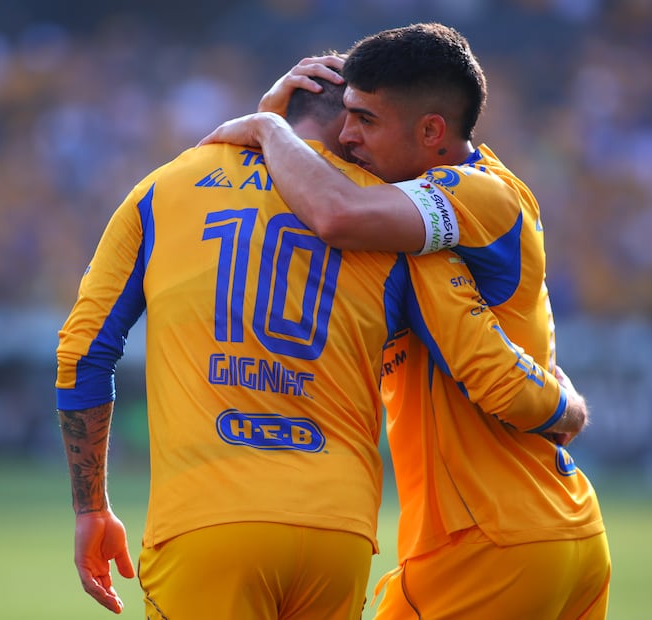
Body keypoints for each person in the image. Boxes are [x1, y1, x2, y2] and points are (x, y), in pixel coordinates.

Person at [55, 73, 588, 619]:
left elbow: (84, 352)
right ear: (346, 122)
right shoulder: (389, 220)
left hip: (206, 519)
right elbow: (480, 356)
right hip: (338, 529)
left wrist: (91, 507)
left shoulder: (164, 187)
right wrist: (557, 395)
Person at [199, 23, 611, 619]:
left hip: (485, 542)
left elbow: (336, 212)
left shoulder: (470, 196)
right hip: (560, 530)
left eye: (365, 119)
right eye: (345, 115)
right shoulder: (458, 213)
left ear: (431, 131)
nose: (347, 134)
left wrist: (267, 128)